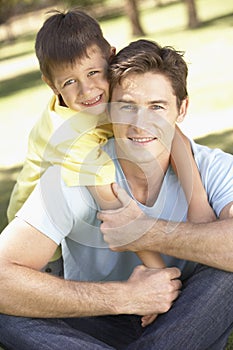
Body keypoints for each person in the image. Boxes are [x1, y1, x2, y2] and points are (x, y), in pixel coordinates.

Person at [0, 38, 231, 349]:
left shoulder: (215, 168)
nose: (139, 123)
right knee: (8, 309)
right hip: (96, 317)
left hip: (186, 316)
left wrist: (146, 233)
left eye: (157, 107)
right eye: (126, 107)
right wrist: (126, 297)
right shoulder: (76, 171)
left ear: (182, 109)